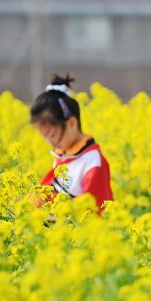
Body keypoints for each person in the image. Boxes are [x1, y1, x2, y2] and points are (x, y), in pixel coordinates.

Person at [30, 74, 114, 214]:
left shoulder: (92, 161)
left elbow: (96, 210)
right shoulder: (65, 155)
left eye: (52, 135)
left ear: (72, 123)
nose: (50, 142)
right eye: (44, 136)